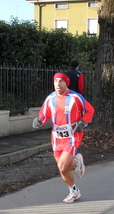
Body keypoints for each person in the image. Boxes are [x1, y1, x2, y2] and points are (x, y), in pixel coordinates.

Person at [33, 72, 95, 203]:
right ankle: (74, 191)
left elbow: (90, 110)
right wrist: (39, 121)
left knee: (62, 166)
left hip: (73, 136)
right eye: (56, 81)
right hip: (57, 137)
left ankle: (76, 162)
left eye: (61, 81)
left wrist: (82, 122)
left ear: (66, 83)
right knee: (63, 168)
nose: (58, 84)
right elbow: (44, 114)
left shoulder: (75, 97)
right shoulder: (50, 98)